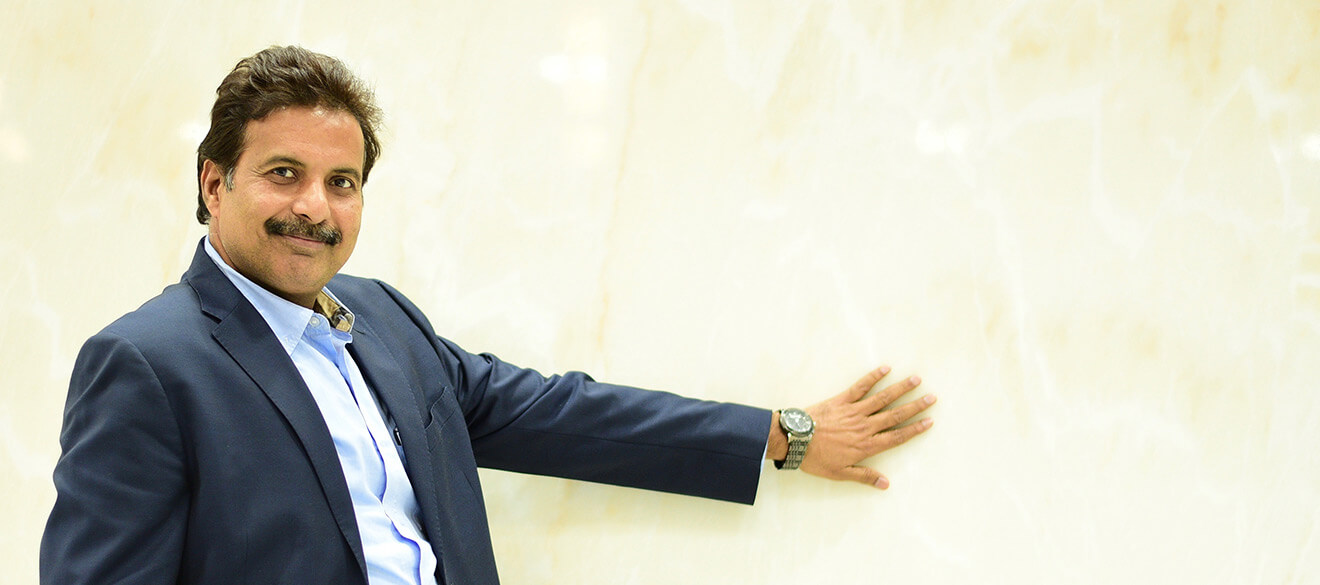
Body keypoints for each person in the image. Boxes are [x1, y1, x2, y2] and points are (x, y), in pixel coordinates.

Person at [40, 45, 936, 585]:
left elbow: (558, 414)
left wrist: (779, 434)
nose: (315, 205)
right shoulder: (147, 361)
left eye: (342, 182)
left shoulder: (379, 316)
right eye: (284, 173)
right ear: (214, 183)